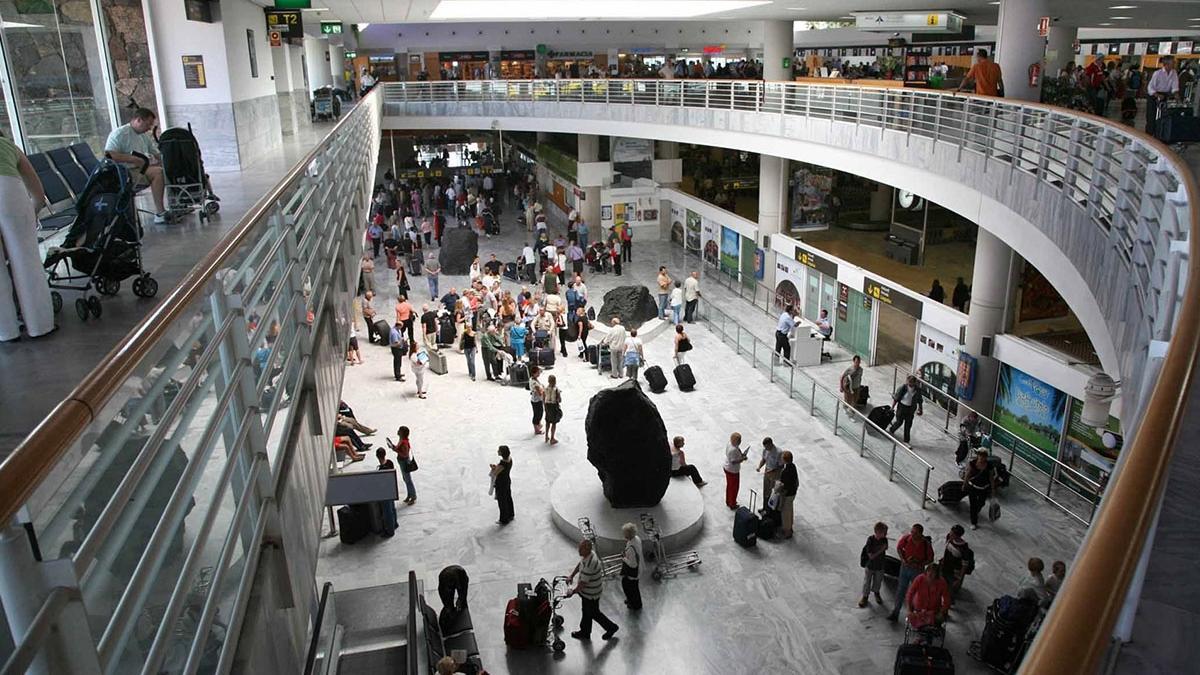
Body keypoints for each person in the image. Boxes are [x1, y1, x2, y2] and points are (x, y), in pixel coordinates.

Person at [0, 132, 54, 341]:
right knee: (26, 261)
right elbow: (38, 193)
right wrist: (29, 218)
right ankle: (40, 326)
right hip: (9, 194)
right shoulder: (8, 146)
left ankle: (5, 332)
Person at [104, 108, 168, 222]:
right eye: (148, 124)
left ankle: (175, 204)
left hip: (140, 169)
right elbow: (109, 155)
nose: (149, 128)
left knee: (166, 169)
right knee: (158, 173)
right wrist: (133, 159)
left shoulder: (143, 136)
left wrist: (167, 161)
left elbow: (156, 153)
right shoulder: (120, 134)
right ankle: (160, 212)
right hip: (125, 172)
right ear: (138, 120)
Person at [566, 539, 619, 641]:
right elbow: (580, 564)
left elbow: (582, 584)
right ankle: (585, 632)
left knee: (594, 613)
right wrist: (572, 575)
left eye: (581, 548)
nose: (578, 550)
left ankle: (611, 627)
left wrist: (572, 591)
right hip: (588, 593)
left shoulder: (590, 564)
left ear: (587, 549)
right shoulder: (589, 555)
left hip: (591, 594)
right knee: (586, 612)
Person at [888, 523, 934, 622]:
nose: (912, 534)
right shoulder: (906, 539)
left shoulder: (926, 544)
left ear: (920, 534)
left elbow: (930, 559)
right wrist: (903, 560)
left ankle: (913, 615)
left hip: (917, 571)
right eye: (912, 532)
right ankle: (896, 612)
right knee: (901, 590)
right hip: (905, 568)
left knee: (915, 593)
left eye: (915, 533)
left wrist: (920, 563)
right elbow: (899, 548)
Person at [905, 562, 951, 631]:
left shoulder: (941, 582)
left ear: (936, 575)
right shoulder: (920, 579)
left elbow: (947, 599)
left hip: (934, 610)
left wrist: (942, 612)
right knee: (913, 617)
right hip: (919, 608)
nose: (930, 574)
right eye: (929, 571)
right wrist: (909, 609)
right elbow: (910, 593)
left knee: (937, 621)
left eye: (933, 573)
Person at [963, 450, 997, 530]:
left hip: (984, 488)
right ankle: (973, 522)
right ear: (978, 456)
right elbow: (968, 474)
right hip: (973, 487)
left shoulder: (989, 465)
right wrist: (964, 484)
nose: (982, 458)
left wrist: (993, 489)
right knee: (973, 505)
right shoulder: (973, 463)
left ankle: (975, 513)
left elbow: (991, 477)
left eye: (983, 456)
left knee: (981, 503)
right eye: (980, 456)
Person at [1147, 55, 1180, 135]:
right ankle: (1149, 135)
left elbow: (1175, 86)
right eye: (1173, 62)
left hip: (1165, 95)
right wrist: (1157, 95)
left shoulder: (1174, 73)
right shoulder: (1157, 73)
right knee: (1151, 116)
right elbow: (1150, 87)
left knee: (1164, 116)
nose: (1175, 63)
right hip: (1154, 95)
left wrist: (1176, 94)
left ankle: (1161, 134)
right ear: (1167, 63)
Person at [858, 522, 889, 608]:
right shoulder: (870, 540)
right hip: (870, 565)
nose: (886, 534)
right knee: (867, 581)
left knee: (878, 580)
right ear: (877, 532)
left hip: (880, 565)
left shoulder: (884, 539)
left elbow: (886, 547)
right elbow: (871, 556)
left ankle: (876, 592)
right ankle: (865, 596)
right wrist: (881, 550)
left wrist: (884, 548)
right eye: (884, 532)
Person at [889, 375, 925, 443]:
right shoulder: (903, 388)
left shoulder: (917, 390)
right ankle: (892, 429)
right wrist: (892, 407)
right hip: (902, 407)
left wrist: (920, 409)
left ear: (914, 383)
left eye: (912, 383)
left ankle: (906, 440)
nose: (910, 384)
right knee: (899, 422)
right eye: (909, 382)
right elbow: (896, 398)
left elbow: (919, 400)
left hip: (911, 409)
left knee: (908, 425)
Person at [939, 525, 971, 600]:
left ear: (958, 536)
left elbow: (964, 564)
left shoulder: (964, 548)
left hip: (954, 571)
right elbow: (946, 550)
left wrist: (959, 578)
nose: (950, 534)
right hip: (945, 566)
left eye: (952, 534)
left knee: (951, 588)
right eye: (951, 532)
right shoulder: (949, 538)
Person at [391, 426, 416, 504]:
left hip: (404, 462)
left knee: (408, 480)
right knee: (406, 479)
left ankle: (413, 496)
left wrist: (396, 451)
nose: (398, 431)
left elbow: (405, 454)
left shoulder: (404, 442)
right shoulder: (401, 440)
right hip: (401, 461)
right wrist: (394, 447)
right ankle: (409, 495)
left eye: (399, 430)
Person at [724, 432, 749, 510]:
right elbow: (733, 461)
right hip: (732, 471)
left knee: (729, 486)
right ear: (734, 440)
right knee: (734, 488)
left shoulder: (730, 444)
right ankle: (732, 504)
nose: (740, 441)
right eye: (739, 440)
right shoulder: (733, 450)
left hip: (727, 468)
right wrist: (742, 459)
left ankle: (728, 500)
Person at [620, 523, 643, 610]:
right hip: (639, 569)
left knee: (628, 587)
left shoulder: (631, 548)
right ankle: (633, 601)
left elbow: (633, 564)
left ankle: (634, 604)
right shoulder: (636, 539)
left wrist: (624, 558)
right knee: (634, 588)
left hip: (633, 572)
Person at [777, 450, 798, 538]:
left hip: (786, 494)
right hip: (793, 492)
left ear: (784, 460)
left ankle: (787, 531)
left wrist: (777, 490)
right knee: (790, 510)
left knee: (785, 512)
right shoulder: (793, 466)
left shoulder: (785, 471)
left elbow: (783, 485)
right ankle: (790, 527)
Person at [491, 445, 514, 524]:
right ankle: (511, 514)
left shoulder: (502, 464)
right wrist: (496, 467)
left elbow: (494, 473)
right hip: (507, 480)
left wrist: (493, 468)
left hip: (501, 484)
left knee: (502, 501)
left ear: (502, 453)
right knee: (508, 498)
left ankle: (504, 519)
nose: (497, 451)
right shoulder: (509, 459)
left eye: (499, 450)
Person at [756, 437, 784, 502]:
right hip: (767, 470)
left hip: (775, 473)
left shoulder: (778, 452)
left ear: (771, 444)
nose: (765, 448)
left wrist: (772, 471)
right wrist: (759, 467)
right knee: (766, 490)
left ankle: (770, 509)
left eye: (767, 447)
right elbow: (764, 459)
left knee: (773, 492)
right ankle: (764, 507)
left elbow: (781, 466)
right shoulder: (765, 450)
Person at [543, 374, 562, 444]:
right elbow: (559, 400)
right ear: (555, 381)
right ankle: (552, 438)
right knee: (554, 423)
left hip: (547, 406)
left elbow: (543, 398)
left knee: (547, 422)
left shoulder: (545, 388)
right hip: (553, 407)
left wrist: (544, 406)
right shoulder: (556, 390)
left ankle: (546, 436)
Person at [529, 366, 545, 435]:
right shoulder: (534, 383)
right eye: (538, 373)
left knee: (539, 412)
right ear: (534, 373)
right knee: (538, 414)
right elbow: (540, 393)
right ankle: (536, 429)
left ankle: (538, 424)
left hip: (536, 399)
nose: (539, 374)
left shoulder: (534, 379)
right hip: (536, 400)